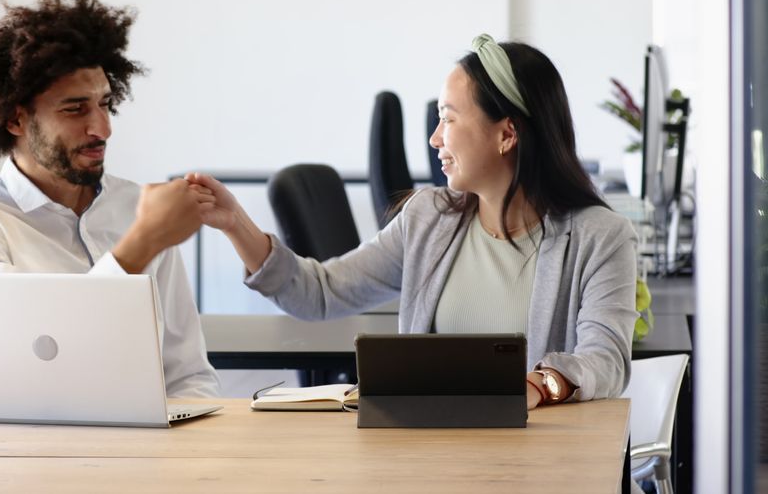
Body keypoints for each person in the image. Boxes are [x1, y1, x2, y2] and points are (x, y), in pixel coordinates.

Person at [188, 34, 637, 409]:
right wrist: (234, 224)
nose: (435, 137)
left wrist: (540, 385)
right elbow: (320, 292)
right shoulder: (428, 219)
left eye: (448, 118)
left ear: (506, 134)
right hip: (430, 457)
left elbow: (605, 360)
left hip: (541, 464)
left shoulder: (601, 238)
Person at [0, 0, 220, 397]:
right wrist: (141, 243)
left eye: (105, 104)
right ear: (15, 120)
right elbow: (42, 361)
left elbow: (188, 375)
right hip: (35, 453)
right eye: (74, 109)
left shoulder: (137, 207)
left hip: (154, 454)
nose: (102, 128)